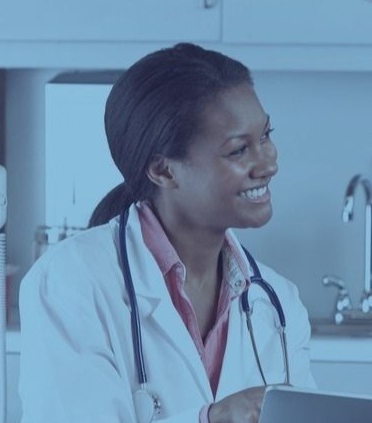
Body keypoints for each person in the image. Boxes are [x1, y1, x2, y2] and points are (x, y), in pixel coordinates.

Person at [18, 43, 315, 423]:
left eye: (266, 136)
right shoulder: (70, 284)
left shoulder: (277, 303)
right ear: (163, 171)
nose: (269, 162)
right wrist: (210, 419)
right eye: (239, 150)